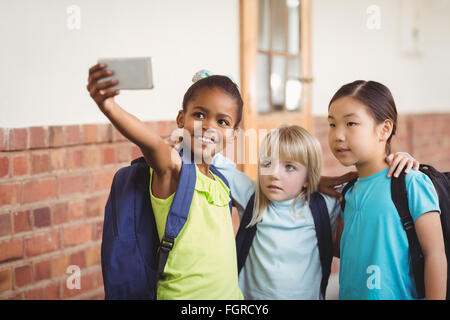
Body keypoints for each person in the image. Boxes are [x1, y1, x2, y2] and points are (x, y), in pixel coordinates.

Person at [87, 66, 243, 299]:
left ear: (234, 134)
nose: (209, 126)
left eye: (222, 121)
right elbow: (150, 143)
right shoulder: (175, 171)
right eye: (199, 115)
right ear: (181, 119)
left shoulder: (222, 182)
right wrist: (109, 106)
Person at [212, 125, 420, 299]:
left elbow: (374, 181)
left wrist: (400, 159)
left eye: (290, 167)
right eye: (267, 163)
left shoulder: (325, 204)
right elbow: (212, 161)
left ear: (308, 178)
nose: (274, 174)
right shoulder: (251, 196)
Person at [329, 80, 447, 300]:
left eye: (351, 124)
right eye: (332, 124)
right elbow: (344, 250)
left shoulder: (410, 183)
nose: (338, 135)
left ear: (385, 129)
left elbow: (435, 255)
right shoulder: (348, 193)